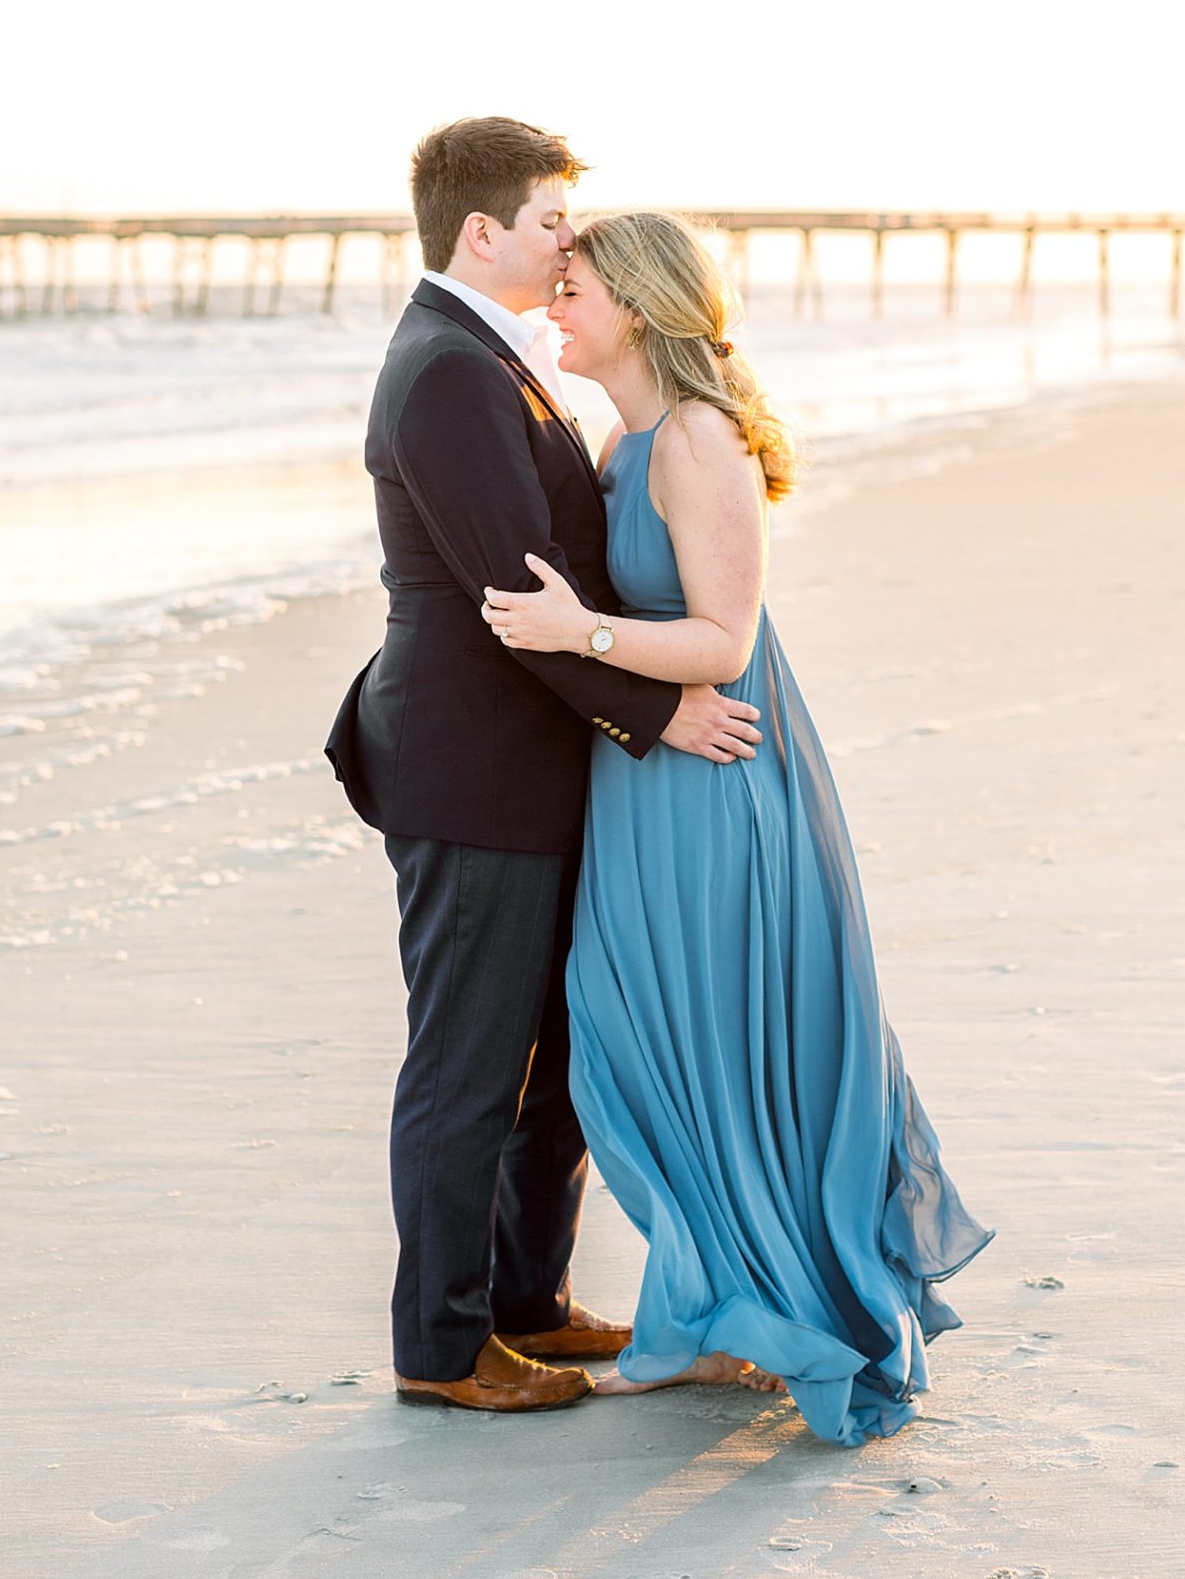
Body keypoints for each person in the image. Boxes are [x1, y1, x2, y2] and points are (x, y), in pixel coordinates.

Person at [479, 209, 996, 1446]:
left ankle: (762, 1312)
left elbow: (725, 639)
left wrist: (578, 633)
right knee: (636, 1038)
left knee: (715, 1042)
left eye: (574, 289)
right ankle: (723, 1306)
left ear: (639, 307)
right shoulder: (627, 436)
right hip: (649, 775)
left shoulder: (697, 440)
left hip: (717, 781)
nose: (555, 306)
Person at [324, 120, 764, 1415]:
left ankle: (526, 1299)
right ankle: (441, 1345)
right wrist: (657, 711)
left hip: (532, 760)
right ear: (484, 232)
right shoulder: (449, 371)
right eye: (552, 220)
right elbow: (519, 600)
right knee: (469, 1064)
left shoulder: (489, 357)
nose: (570, 241)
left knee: (548, 1060)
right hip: (474, 769)